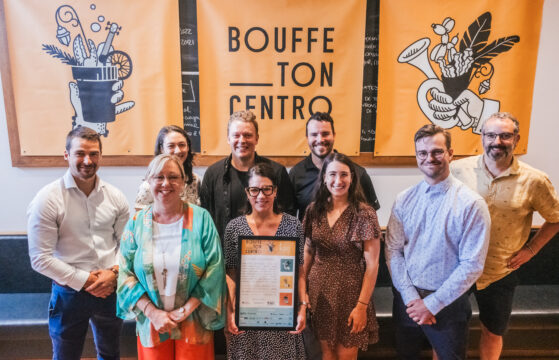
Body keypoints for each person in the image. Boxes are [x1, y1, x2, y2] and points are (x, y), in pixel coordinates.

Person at [451, 112, 559, 360]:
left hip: (500, 271)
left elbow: (555, 218)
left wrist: (531, 250)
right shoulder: (457, 170)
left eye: (505, 136)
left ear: (516, 139)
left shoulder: (535, 180)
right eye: (490, 135)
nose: (496, 141)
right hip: (457, 268)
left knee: (493, 332)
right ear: (482, 137)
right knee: (449, 331)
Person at [385, 124, 491, 360]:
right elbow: (393, 250)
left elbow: (472, 264)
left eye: (437, 151)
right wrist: (412, 298)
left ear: (450, 154)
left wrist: (432, 304)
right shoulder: (404, 199)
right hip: (407, 302)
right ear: (416, 157)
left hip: (449, 304)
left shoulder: (471, 204)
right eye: (422, 153)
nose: (429, 158)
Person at [27, 127, 130, 360]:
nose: (87, 160)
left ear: (101, 156)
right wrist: (86, 280)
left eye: (93, 154)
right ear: (67, 155)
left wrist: (114, 273)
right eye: (80, 153)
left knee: (110, 354)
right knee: (65, 356)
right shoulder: (47, 199)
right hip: (68, 292)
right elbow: (40, 258)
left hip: (110, 289)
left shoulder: (115, 196)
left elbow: (128, 246)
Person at [117, 154, 226, 359]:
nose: (166, 183)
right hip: (152, 322)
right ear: (148, 181)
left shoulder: (201, 219)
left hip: (194, 319)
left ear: (183, 182)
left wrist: (185, 310)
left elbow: (215, 269)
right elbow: (125, 273)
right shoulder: (136, 223)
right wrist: (152, 312)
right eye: (159, 177)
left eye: (173, 177)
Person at [303, 152, 381, 360]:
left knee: (346, 354)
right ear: (324, 178)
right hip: (319, 293)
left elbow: (372, 265)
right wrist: (303, 291)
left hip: (351, 294)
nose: (338, 181)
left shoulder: (364, 213)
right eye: (333, 174)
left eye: (344, 175)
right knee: (325, 355)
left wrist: (362, 306)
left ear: (352, 178)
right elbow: (308, 251)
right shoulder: (313, 210)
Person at [224, 163, 307, 359]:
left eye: (267, 189)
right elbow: (231, 274)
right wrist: (229, 311)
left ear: (275, 191)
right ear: (247, 192)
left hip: (282, 316)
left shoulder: (293, 225)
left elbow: (300, 271)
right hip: (246, 317)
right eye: (255, 190)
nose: (261, 196)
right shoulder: (234, 228)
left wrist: (302, 307)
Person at [200, 110, 296, 241]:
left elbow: (287, 217)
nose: (242, 140)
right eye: (236, 135)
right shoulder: (213, 174)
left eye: (247, 135)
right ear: (228, 138)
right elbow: (206, 221)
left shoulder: (277, 172)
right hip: (225, 256)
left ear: (257, 138)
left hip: (267, 254)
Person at [289, 112, 380, 221]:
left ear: (334, 135)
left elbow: (371, 219)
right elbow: (289, 219)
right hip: (309, 238)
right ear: (307, 137)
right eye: (314, 134)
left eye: (325, 134)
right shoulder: (296, 174)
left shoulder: (358, 173)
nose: (320, 139)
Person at [135, 125, 200, 209]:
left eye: (182, 145)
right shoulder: (149, 186)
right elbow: (140, 218)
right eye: (171, 146)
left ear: (188, 147)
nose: (178, 151)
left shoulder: (195, 180)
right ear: (161, 149)